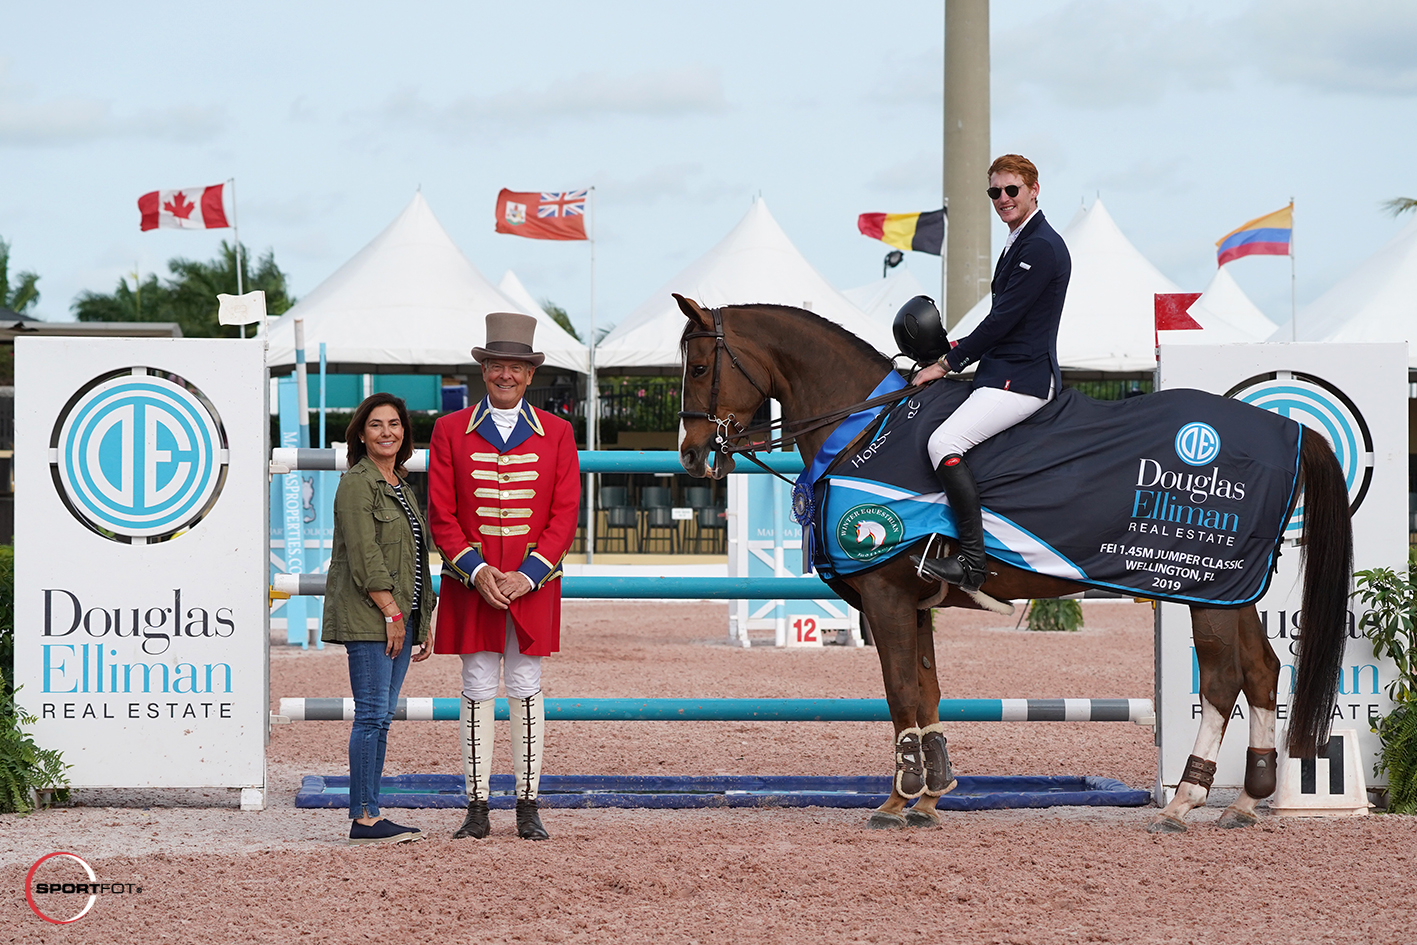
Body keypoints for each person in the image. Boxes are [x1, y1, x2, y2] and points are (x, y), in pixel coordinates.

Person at [429, 312, 580, 841]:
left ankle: (528, 805)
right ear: (484, 370)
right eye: (497, 365)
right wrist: (477, 571)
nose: (505, 375)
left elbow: (565, 513)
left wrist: (530, 575)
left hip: (530, 584)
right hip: (474, 582)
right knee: (474, 685)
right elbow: (441, 514)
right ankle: (475, 807)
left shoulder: (559, 433)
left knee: (525, 684)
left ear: (530, 374)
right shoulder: (449, 429)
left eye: (515, 367)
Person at [909, 154, 1071, 591]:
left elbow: (1003, 322)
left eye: (1011, 190)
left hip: (1022, 379)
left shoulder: (1039, 246)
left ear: (1034, 190)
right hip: (1003, 369)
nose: (1002, 199)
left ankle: (973, 563)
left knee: (944, 440)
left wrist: (947, 364)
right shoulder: (1018, 240)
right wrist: (951, 349)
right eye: (994, 192)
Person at [321, 392, 433, 844]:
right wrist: (391, 612)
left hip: (400, 619)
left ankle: (371, 812)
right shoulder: (357, 483)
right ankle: (364, 818)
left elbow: (417, 560)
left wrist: (421, 618)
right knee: (371, 716)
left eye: (394, 424)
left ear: (404, 432)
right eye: (375, 425)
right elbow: (366, 556)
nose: (387, 432)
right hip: (374, 618)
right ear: (361, 435)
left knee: (382, 717)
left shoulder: (400, 486)